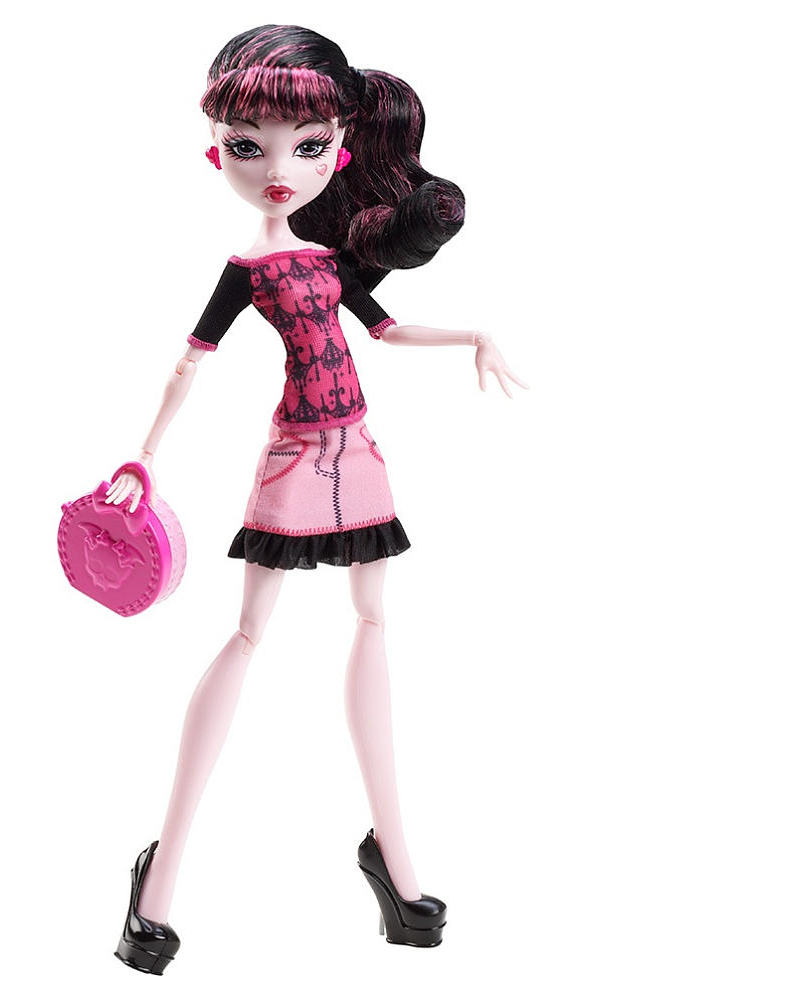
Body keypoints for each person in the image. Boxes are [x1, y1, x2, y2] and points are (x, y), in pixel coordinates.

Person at [107, 24, 527, 975]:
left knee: (375, 623)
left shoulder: (333, 263)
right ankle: (161, 874)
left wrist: (473, 335)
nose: (276, 170)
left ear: (337, 152)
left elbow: (385, 329)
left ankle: (396, 857)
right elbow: (189, 362)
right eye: (247, 146)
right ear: (215, 153)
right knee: (248, 633)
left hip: (358, 449)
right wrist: (143, 454)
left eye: (304, 147)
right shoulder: (248, 270)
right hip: (298, 452)